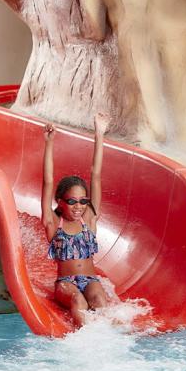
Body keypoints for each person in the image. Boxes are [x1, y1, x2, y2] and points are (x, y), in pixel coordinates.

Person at [41, 117, 108, 326]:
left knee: (99, 301)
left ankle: (106, 341)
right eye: (71, 201)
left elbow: (95, 175)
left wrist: (99, 135)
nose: (78, 206)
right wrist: (49, 143)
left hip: (91, 280)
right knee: (78, 301)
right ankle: (83, 342)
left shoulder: (89, 217)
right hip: (65, 284)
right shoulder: (53, 222)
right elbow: (47, 181)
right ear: (60, 202)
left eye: (82, 201)